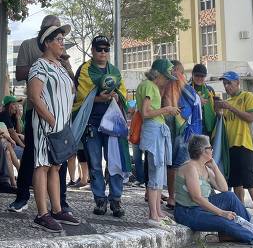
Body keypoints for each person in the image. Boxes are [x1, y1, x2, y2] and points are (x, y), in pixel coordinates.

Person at [8, 15, 74, 213]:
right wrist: (46, 60)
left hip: (60, 119)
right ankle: (25, 199)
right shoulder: (30, 48)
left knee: (57, 161)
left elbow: (71, 85)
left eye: (61, 35)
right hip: (39, 114)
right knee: (34, 158)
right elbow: (22, 77)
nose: (60, 39)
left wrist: (63, 63)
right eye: (55, 34)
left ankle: (59, 204)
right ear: (45, 33)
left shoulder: (59, 60)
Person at [174, 135, 253, 248]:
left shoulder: (205, 167)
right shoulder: (190, 167)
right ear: (203, 151)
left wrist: (214, 167)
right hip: (187, 211)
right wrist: (221, 212)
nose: (212, 150)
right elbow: (196, 198)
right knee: (223, 220)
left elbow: (223, 188)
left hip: (200, 207)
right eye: (210, 147)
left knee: (229, 196)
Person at [27, 24, 81, 232]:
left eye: (62, 39)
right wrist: (50, 118)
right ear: (47, 43)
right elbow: (34, 96)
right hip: (46, 124)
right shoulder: (39, 66)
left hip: (61, 125)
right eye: (58, 39)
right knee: (42, 165)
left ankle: (57, 209)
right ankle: (42, 213)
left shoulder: (60, 66)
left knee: (56, 166)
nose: (62, 43)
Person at [72, 35, 129, 217]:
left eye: (106, 49)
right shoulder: (85, 70)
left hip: (113, 125)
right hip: (92, 124)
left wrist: (117, 97)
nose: (103, 52)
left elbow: (124, 93)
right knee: (95, 164)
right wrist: (99, 98)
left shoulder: (115, 71)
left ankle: (116, 199)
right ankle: (99, 200)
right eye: (99, 49)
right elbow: (79, 98)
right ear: (92, 50)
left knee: (115, 162)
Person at [214, 71, 253, 227]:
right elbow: (224, 124)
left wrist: (230, 108)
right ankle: (241, 212)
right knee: (236, 183)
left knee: (250, 182)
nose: (227, 86)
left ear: (237, 82)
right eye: (224, 84)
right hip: (231, 146)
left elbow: (250, 118)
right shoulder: (228, 101)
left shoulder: (247, 96)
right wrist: (219, 111)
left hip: (244, 144)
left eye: (229, 83)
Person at [137, 58, 179, 225]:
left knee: (159, 171)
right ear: (159, 74)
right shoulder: (149, 86)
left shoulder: (150, 86)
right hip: (153, 130)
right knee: (156, 172)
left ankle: (157, 211)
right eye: (167, 77)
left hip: (156, 129)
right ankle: (153, 214)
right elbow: (146, 112)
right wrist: (167, 109)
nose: (168, 81)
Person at [163, 60, 186, 208]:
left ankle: (174, 196)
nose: (181, 75)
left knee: (176, 163)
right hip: (171, 122)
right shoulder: (169, 83)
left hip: (179, 123)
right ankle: (172, 196)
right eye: (180, 72)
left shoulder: (169, 83)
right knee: (173, 163)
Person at [190, 64, 216, 138]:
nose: (199, 78)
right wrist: (198, 104)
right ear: (192, 75)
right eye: (197, 75)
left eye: (202, 76)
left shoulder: (210, 90)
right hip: (194, 125)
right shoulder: (188, 89)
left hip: (209, 126)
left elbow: (214, 106)